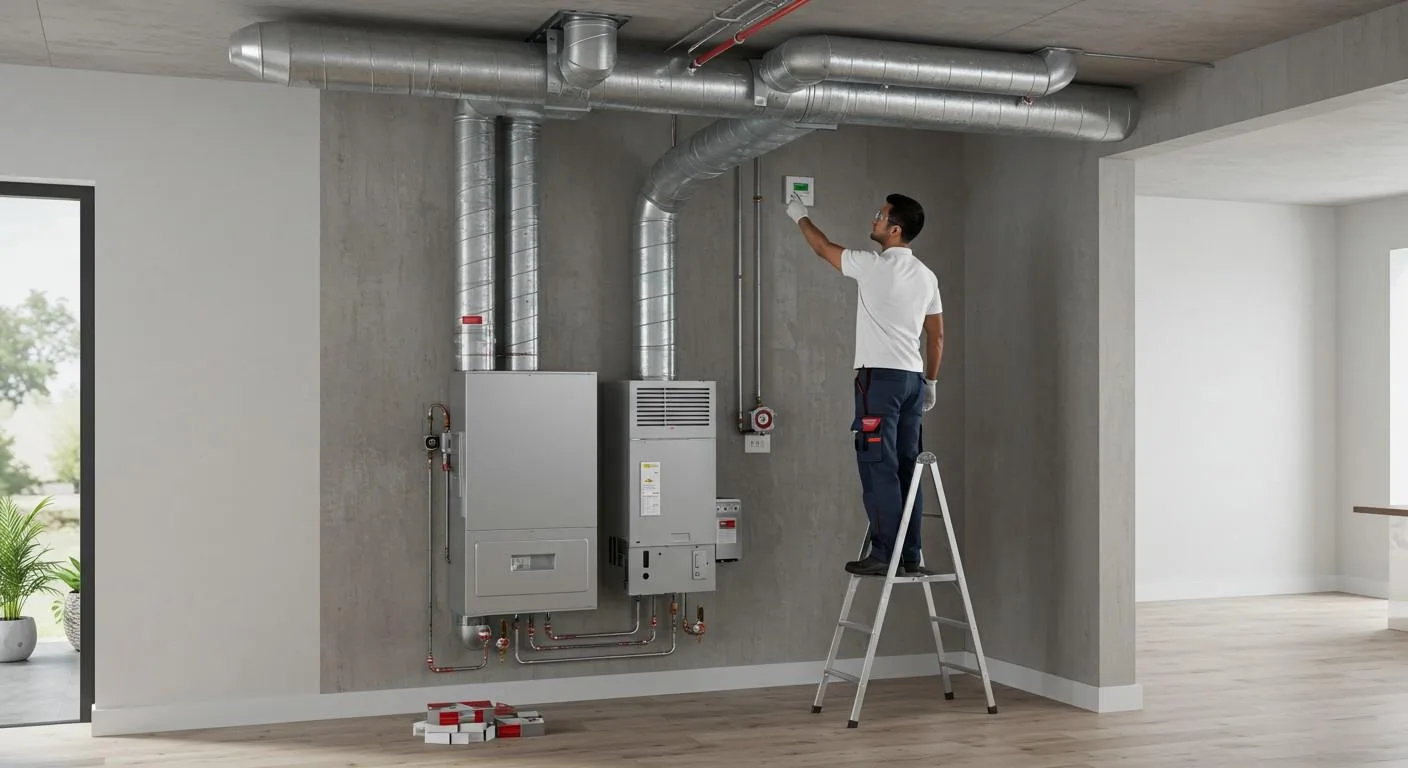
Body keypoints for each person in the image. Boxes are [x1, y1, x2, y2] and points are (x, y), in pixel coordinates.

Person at [786, 191, 943, 577]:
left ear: (894, 229)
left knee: (878, 465)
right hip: (911, 381)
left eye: (880, 215)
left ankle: (885, 552)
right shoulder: (927, 276)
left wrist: (799, 216)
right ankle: (911, 554)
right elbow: (936, 337)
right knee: (908, 465)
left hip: (880, 381)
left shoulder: (873, 266)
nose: (873, 219)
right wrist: (931, 382)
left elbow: (823, 248)